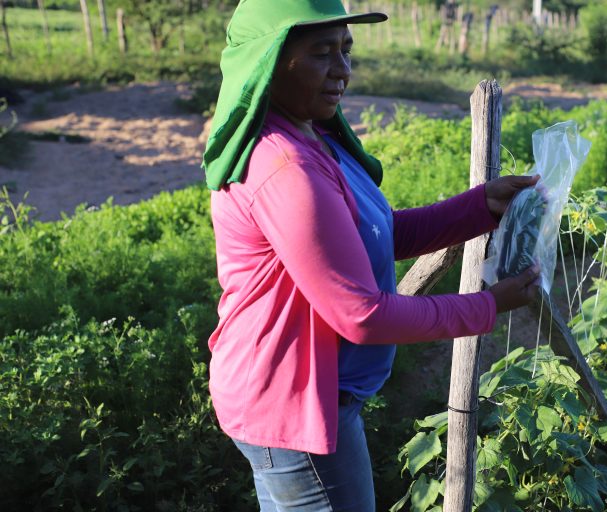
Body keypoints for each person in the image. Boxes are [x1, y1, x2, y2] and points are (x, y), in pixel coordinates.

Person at [201, 1, 541, 510]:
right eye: (321, 54)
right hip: (295, 405)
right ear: (268, 62)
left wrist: (479, 207)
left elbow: (375, 233)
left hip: (299, 393)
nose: (343, 70)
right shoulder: (286, 166)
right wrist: (488, 305)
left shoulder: (312, 136)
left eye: (345, 49)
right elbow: (363, 315)